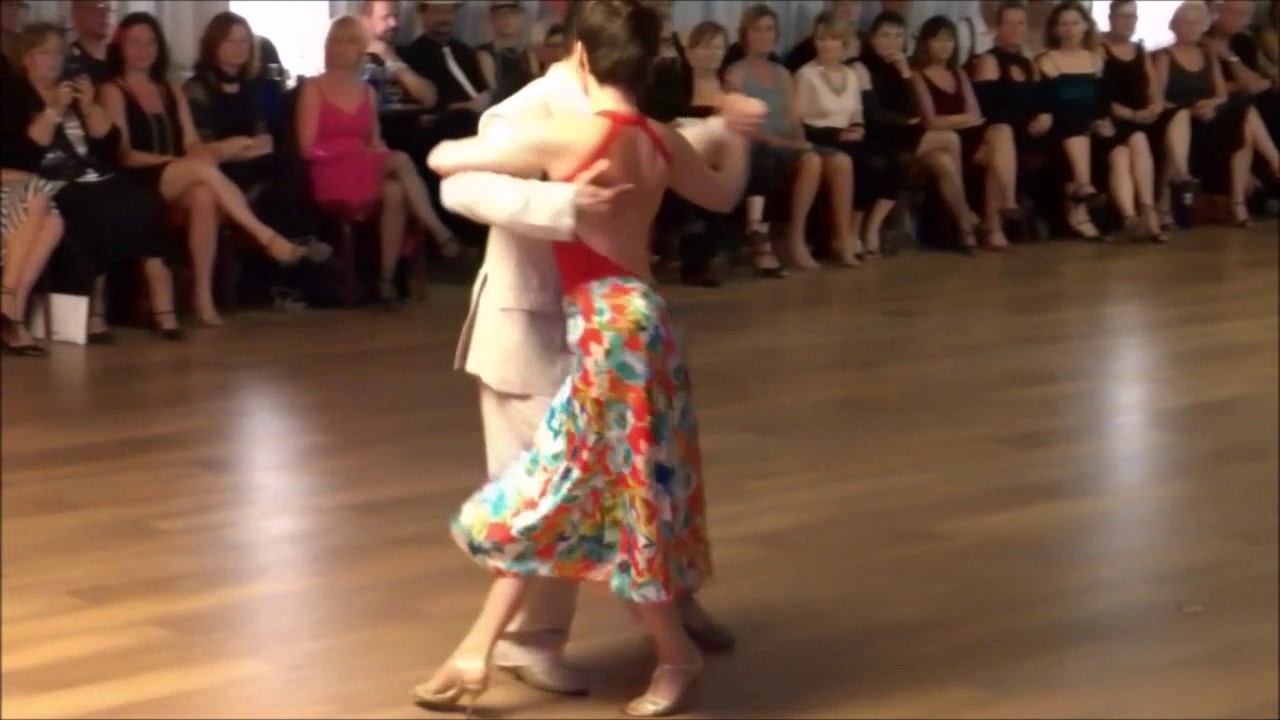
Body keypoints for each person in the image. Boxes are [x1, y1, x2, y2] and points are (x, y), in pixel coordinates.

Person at [414, 2, 762, 716]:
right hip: (604, 323)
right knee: (584, 482)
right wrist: (567, 203)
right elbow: (717, 185)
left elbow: (443, 160)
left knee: (591, 485)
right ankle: (504, 644)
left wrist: (720, 129)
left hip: (609, 332)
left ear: (581, 53)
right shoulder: (553, 114)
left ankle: (667, 639)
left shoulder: (586, 127)